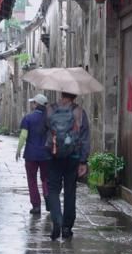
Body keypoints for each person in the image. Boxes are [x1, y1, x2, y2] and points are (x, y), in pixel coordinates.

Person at [45, 92, 90, 240]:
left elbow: (44, 132)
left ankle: (57, 218)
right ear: (75, 96)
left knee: (53, 189)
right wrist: (83, 161)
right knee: (70, 191)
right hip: (73, 157)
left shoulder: (50, 109)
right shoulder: (79, 112)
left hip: (53, 155)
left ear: (61, 93)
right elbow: (84, 138)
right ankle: (66, 228)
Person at [15, 94, 51, 215]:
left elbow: (23, 135)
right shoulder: (49, 119)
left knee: (32, 180)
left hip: (31, 154)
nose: (32, 104)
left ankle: (36, 206)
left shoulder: (28, 118)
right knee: (46, 178)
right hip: (46, 154)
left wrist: (18, 150)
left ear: (36, 104)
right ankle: (48, 197)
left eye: (33, 102)